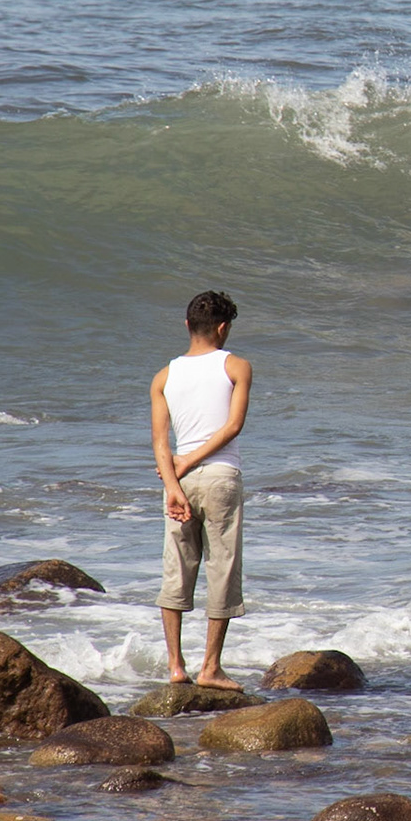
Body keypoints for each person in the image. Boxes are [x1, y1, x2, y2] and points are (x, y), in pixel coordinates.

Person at [149, 291, 252, 690]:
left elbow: (160, 444)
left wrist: (174, 485)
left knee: (177, 567)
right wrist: (189, 463)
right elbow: (232, 427)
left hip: (180, 482)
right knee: (221, 568)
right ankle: (210, 668)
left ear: (187, 325)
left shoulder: (164, 376)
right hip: (221, 476)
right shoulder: (236, 367)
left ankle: (176, 666)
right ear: (223, 328)